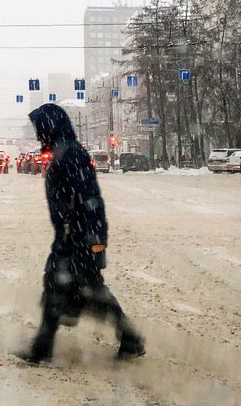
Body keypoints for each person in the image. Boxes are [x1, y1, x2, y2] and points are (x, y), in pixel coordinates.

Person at [20, 102, 145, 364]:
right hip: (70, 234)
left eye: (40, 128)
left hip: (78, 236)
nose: (38, 134)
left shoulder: (71, 154)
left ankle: (43, 348)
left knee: (70, 286)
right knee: (73, 287)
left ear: (50, 128)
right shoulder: (63, 151)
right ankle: (128, 338)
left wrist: (95, 240)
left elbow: (90, 198)